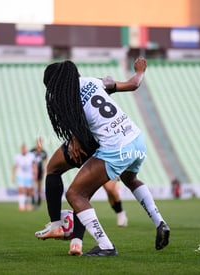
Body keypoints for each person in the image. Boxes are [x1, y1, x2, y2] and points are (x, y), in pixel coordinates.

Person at [43, 58, 170, 256]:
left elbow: (76, 119)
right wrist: (140, 71)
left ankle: (105, 245)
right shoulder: (94, 82)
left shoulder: (66, 99)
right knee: (130, 179)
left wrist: (74, 137)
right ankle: (159, 222)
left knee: (76, 194)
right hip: (136, 139)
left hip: (115, 148)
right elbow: (133, 84)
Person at [12, 143, 37, 211]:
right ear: (21, 149)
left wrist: (35, 173)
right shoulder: (17, 157)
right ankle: (21, 205)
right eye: (22, 148)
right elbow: (15, 167)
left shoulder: (31, 156)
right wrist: (13, 176)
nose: (23, 150)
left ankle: (28, 204)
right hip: (20, 176)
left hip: (29, 176)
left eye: (24, 148)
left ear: (26, 149)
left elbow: (34, 165)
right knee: (21, 190)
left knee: (29, 191)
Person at [30, 137, 47, 207]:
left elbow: (45, 161)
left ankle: (39, 200)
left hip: (40, 170)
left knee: (39, 185)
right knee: (33, 185)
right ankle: (33, 199)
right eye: (38, 142)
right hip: (33, 170)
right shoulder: (32, 151)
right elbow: (29, 160)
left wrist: (44, 170)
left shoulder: (43, 152)